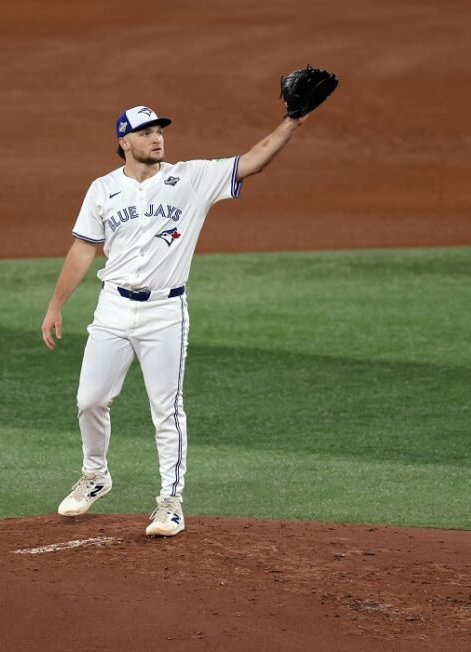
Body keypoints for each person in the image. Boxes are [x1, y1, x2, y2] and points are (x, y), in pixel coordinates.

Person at [41, 104, 308, 536]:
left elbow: (254, 159)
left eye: (159, 130)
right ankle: (95, 475)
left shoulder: (191, 178)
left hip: (165, 312)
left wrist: (292, 121)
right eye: (145, 132)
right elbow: (82, 251)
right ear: (124, 142)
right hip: (112, 307)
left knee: (166, 409)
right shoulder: (103, 189)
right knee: (89, 399)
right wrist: (56, 305)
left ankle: (170, 502)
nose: (157, 138)